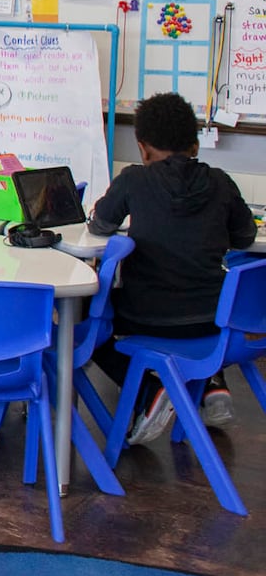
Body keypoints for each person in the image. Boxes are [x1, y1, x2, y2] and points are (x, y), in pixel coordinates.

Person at [88, 92, 256, 444]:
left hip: (146, 315)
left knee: (88, 324)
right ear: (195, 146)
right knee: (200, 293)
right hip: (213, 319)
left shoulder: (134, 180)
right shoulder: (221, 182)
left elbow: (100, 225)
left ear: (142, 147)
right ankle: (211, 382)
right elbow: (245, 237)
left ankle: (150, 390)